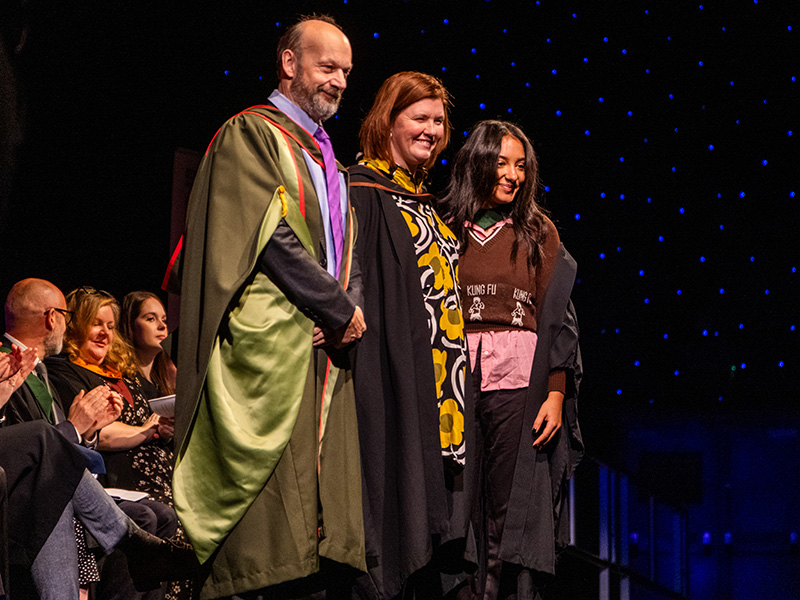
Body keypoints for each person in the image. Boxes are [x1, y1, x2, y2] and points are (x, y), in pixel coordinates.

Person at [164, 15, 366, 599]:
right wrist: (334, 304)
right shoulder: (251, 134)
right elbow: (271, 234)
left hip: (322, 346)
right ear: (289, 63)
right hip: (272, 342)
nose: (339, 82)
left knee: (318, 535)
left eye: (346, 72)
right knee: (267, 533)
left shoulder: (328, 157)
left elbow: (343, 247)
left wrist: (350, 307)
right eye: (327, 67)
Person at [438, 120, 583, 600]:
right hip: (454, 380)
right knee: (458, 503)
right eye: (502, 162)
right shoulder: (442, 223)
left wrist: (557, 392)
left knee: (507, 510)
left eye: (521, 165)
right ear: (477, 161)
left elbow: (558, 317)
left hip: (519, 384)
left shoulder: (537, 230)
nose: (513, 175)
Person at [348, 71, 475, 599]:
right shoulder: (359, 189)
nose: (431, 130)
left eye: (439, 121)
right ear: (388, 121)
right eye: (419, 118)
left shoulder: (427, 201)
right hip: (393, 371)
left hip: (446, 386)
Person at [0, 347, 197, 600]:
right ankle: (133, 542)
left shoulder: (36, 370)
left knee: (54, 487)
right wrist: (75, 428)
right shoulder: (65, 372)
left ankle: (136, 545)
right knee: (42, 438)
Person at [44, 286, 182, 600]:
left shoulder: (112, 375)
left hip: (132, 480)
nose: (105, 333)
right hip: (98, 481)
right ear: (75, 325)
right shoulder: (62, 371)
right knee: (148, 517)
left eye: (110, 326)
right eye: (97, 324)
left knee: (166, 515)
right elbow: (94, 434)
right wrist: (147, 430)